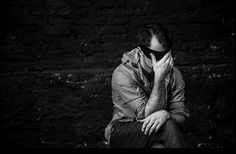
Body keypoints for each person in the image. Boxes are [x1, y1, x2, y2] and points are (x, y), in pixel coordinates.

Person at [104, 24, 189, 148]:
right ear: (141, 51)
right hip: (123, 129)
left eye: (165, 54)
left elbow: (181, 118)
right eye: (156, 55)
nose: (162, 62)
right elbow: (146, 116)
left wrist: (167, 114)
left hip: (158, 131)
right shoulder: (123, 73)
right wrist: (159, 79)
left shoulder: (175, 75)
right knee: (168, 125)